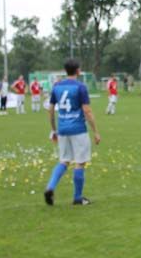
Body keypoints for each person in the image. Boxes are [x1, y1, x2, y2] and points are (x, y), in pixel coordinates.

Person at [44, 58, 101, 206]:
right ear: (78, 71)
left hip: (62, 129)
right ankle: (77, 197)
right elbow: (87, 111)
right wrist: (96, 131)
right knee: (79, 162)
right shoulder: (80, 87)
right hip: (78, 129)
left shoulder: (57, 87)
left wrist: (53, 129)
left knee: (64, 160)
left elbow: (50, 110)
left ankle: (50, 187)